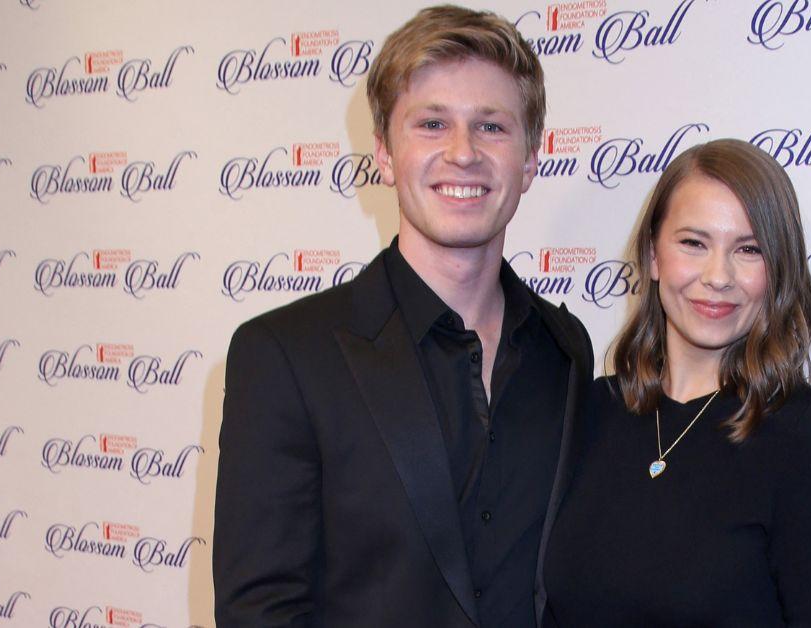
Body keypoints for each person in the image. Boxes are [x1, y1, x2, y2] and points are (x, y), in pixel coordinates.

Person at [213, 6, 593, 626]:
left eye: (492, 127)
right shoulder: (284, 355)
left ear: (530, 160)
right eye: (432, 123)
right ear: (385, 155)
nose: (463, 153)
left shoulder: (565, 348)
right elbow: (261, 610)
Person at [543, 139, 811, 627]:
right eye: (693, 243)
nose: (718, 276)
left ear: (776, 272)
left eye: (749, 249)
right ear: (654, 256)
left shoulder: (802, 439)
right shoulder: (591, 410)